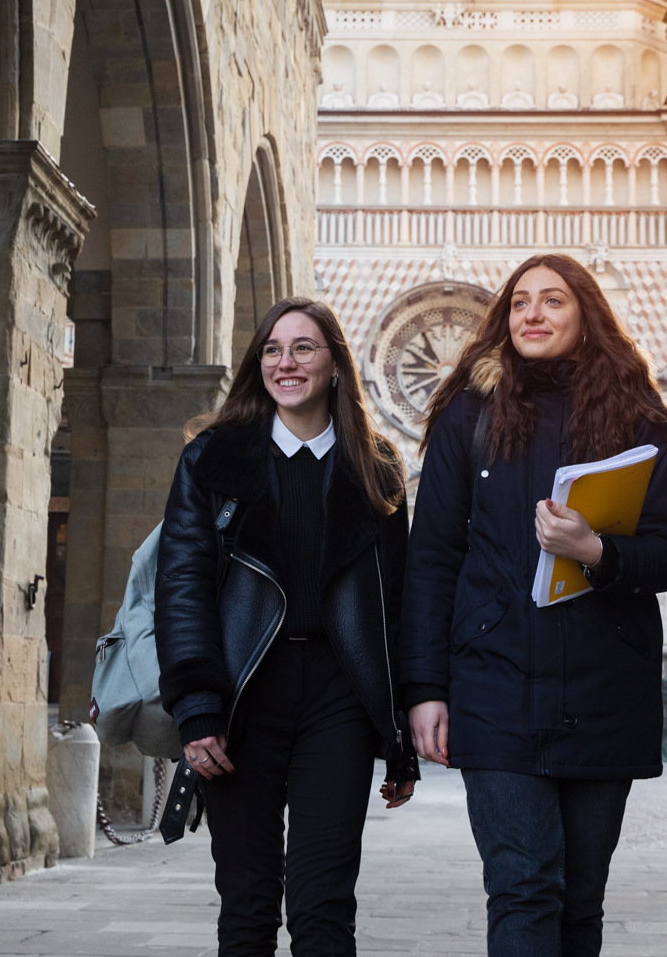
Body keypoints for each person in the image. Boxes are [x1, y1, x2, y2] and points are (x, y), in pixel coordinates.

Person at [401, 253, 667, 957]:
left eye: (553, 300)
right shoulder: (468, 414)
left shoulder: (641, 417)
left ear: (585, 313)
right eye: (520, 301)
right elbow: (432, 558)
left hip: (605, 689)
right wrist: (424, 688)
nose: (532, 313)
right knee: (525, 885)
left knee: (579, 897)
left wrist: (597, 550)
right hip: (496, 684)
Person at [155, 297, 419, 957]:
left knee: (324, 904)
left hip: (339, 702)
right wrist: (196, 707)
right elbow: (181, 587)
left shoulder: (378, 468)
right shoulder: (212, 461)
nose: (286, 361)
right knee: (245, 905)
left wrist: (397, 733)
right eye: (273, 348)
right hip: (240, 698)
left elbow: (396, 608)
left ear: (334, 364)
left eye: (304, 347)